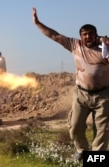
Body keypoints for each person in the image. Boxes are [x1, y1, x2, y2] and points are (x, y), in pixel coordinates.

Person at [32, 7, 109, 161]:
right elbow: (54, 35)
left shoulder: (104, 48)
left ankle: (95, 158)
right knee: (75, 126)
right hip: (82, 94)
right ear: (81, 37)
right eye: (85, 34)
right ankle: (82, 150)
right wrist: (38, 23)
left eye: (91, 34)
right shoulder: (75, 45)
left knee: (102, 129)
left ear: (96, 35)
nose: (88, 37)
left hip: (103, 95)